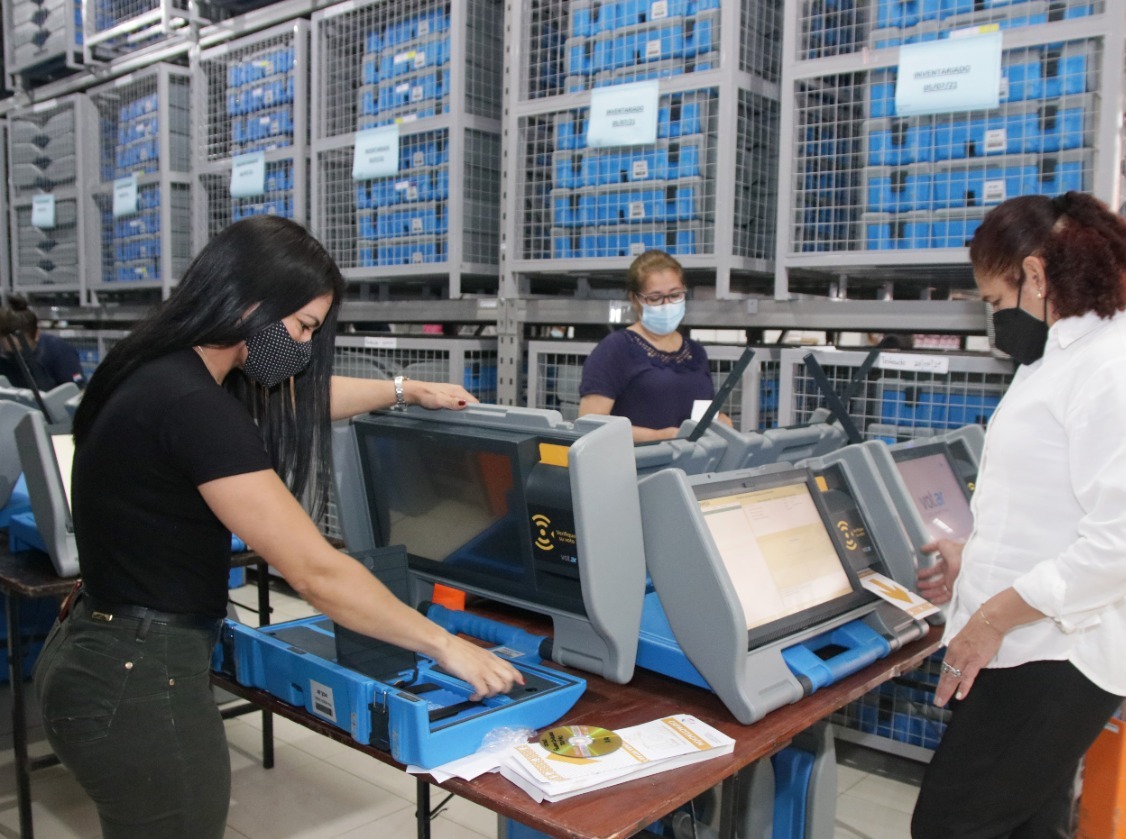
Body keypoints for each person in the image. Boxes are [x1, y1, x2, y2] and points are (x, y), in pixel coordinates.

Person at [33, 216, 521, 839]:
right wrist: (447, 645)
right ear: (251, 305)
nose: (305, 348)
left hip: (93, 654)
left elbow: (302, 398)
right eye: (302, 327)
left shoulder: (163, 369)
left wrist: (405, 389)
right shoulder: (196, 407)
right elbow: (317, 572)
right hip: (136, 683)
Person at [910, 192, 1126, 839]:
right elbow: (1047, 503)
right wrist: (975, 557)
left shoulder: (1118, 368)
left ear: (1035, 276)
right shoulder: (1064, 356)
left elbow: (1120, 545)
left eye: (994, 302)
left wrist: (989, 615)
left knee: (952, 823)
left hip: (1057, 655)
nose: (994, 320)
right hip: (1031, 646)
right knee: (1030, 826)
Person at [578, 250, 723, 442]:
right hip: (637, 466)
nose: (667, 304)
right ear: (635, 300)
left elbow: (703, 415)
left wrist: (719, 423)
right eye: (655, 298)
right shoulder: (615, 349)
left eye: (675, 295)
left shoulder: (695, 353)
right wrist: (658, 437)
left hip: (691, 466)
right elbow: (589, 426)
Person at [6, 294, 85, 387]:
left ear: (36, 335)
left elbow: (78, 393)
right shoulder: (4, 352)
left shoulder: (61, 353)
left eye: (21, 350)